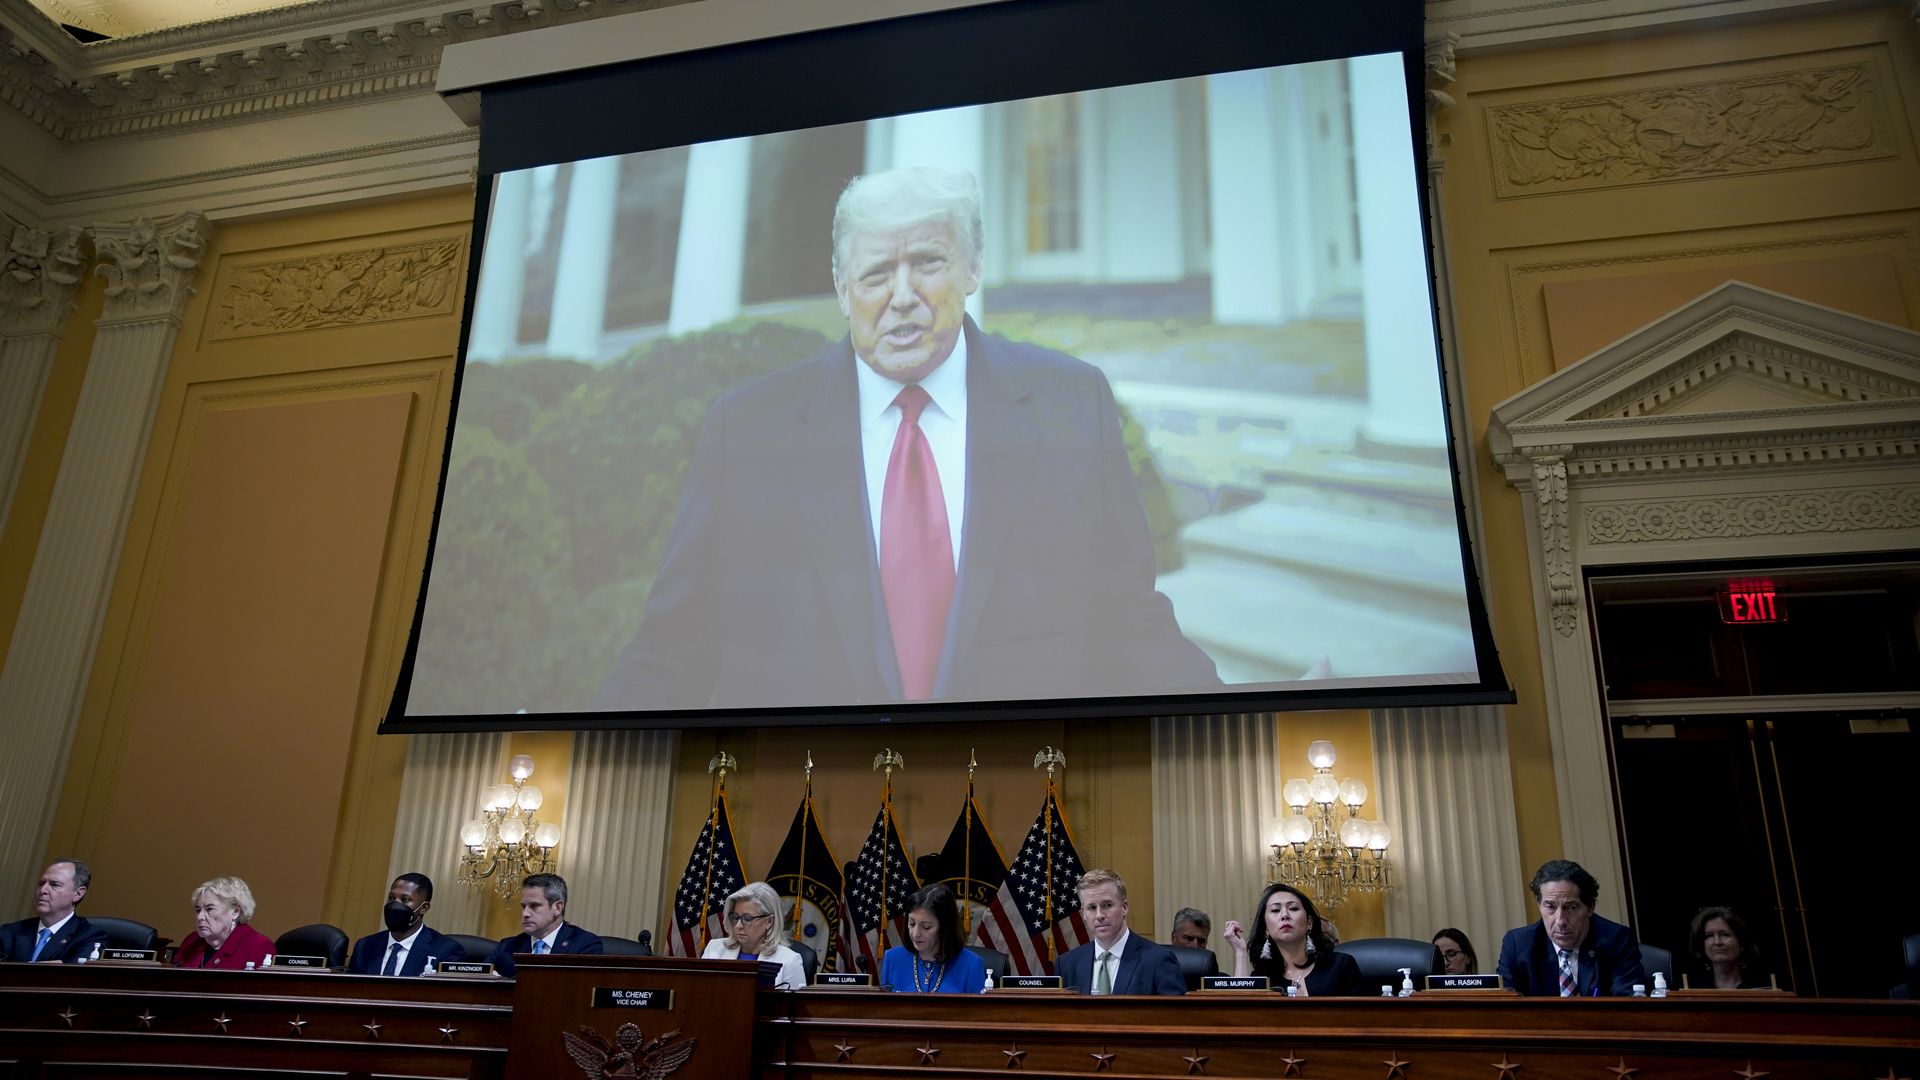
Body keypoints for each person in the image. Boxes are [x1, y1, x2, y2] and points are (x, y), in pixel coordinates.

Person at [596, 166, 1220, 710]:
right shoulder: (748, 432)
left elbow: (1127, 622)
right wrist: (587, 755)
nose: (902, 297)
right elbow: (674, 647)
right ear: (842, 290)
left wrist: (1236, 722)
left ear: (973, 268)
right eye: (875, 274)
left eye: (927, 263)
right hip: (810, 798)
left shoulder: (1071, 407)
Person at [1496, 859, 1645, 997]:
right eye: (1550, 907)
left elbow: (1627, 1006)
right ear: (1539, 905)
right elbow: (1503, 1005)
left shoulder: (1617, 940)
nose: (1560, 921)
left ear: (1590, 907)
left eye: (1571, 907)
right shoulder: (1517, 945)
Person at [1222, 882, 1367, 996]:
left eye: (1293, 908)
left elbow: (1359, 1018)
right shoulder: (1263, 977)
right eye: (1275, 910)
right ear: (1266, 928)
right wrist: (1240, 952)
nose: (1284, 915)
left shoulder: (1341, 966)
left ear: (1309, 923)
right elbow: (1242, 1014)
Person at [1057, 868, 1186, 995]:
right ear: (1083, 914)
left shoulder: (1158, 960)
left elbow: (1174, 1009)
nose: (1099, 915)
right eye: (1091, 907)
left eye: (1107, 905)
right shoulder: (1067, 964)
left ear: (1124, 907)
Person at [346, 872, 465, 976]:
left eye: (405, 900)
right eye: (391, 898)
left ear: (424, 907)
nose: (395, 905)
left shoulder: (445, 950)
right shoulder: (365, 946)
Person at [489, 873, 605, 978]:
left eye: (534, 906)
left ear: (557, 908)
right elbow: (481, 975)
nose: (525, 914)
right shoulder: (507, 947)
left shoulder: (584, 946)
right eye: (523, 906)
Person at [879, 883, 986, 993]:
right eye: (912, 923)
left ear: (945, 928)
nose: (915, 934)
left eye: (926, 927)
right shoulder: (892, 959)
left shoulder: (971, 965)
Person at [701, 881, 806, 990]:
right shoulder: (714, 949)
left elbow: (793, 1002)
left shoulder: (790, 961)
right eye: (735, 917)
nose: (738, 925)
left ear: (769, 921)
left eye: (747, 919)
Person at [1, 860, 109, 963]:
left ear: (78, 894)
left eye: (55, 885)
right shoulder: (8, 932)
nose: (43, 890)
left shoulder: (90, 936)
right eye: (41, 883)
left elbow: (75, 974)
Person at [174, 875, 275, 969]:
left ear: (235, 911)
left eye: (209, 909)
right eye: (198, 910)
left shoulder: (258, 946)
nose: (200, 917)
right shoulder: (191, 941)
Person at [1686, 906, 1770, 990]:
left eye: (1724, 934)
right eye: (1709, 935)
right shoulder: (1692, 987)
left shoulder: (1764, 987)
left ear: (1741, 943)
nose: (1717, 942)